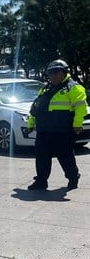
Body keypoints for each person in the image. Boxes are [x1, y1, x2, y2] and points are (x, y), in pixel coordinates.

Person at [27, 59, 87, 191]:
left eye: (55, 72)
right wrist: (31, 123)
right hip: (44, 130)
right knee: (41, 157)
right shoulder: (45, 89)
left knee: (66, 158)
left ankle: (73, 177)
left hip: (62, 132)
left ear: (63, 72)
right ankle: (41, 181)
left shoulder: (73, 88)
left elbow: (81, 108)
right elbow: (35, 109)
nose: (52, 76)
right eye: (50, 73)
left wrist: (77, 124)